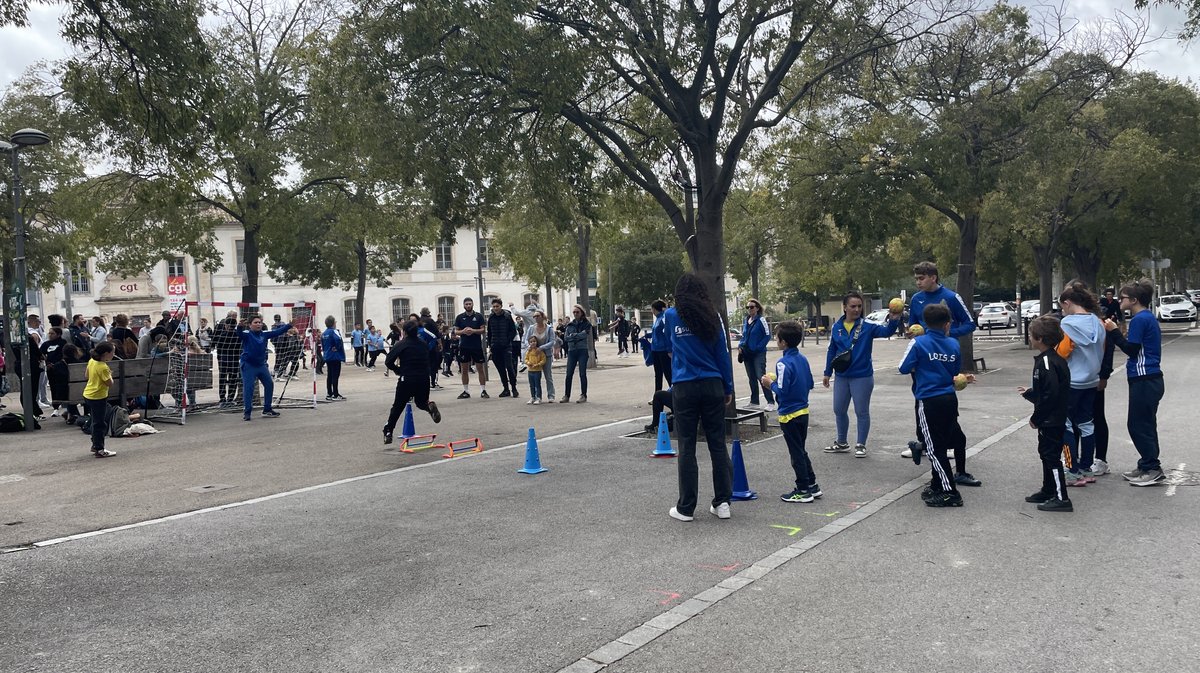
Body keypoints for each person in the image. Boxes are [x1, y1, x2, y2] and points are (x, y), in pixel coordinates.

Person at [664, 274, 735, 522]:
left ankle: (686, 507)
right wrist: (728, 386)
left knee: (687, 445)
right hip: (712, 382)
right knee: (717, 443)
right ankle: (723, 501)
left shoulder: (671, 316)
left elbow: (665, 348)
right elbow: (722, 353)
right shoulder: (713, 315)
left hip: (684, 386)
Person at [902, 261, 977, 479]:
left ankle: (946, 444)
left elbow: (969, 324)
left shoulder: (952, 298)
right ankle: (924, 442)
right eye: (916, 279)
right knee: (920, 399)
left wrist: (946, 335)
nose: (918, 283)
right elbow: (915, 326)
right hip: (923, 357)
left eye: (921, 278)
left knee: (945, 398)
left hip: (943, 355)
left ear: (933, 277)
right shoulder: (916, 299)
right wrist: (912, 333)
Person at [898, 304, 975, 508]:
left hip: (929, 399)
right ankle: (937, 483)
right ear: (947, 324)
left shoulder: (918, 342)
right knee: (940, 442)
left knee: (933, 448)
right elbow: (955, 371)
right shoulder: (953, 344)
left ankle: (950, 491)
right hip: (949, 398)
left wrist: (921, 363)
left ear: (924, 323)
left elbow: (903, 368)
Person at [821, 292, 903, 457]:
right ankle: (842, 442)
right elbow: (832, 351)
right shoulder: (837, 327)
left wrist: (894, 319)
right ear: (845, 307)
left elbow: (886, 332)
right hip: (842, 376)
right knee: (839, 409)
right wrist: (827, 372)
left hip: (862, 376)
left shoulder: (868, 326)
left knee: (861, 411)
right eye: (853, 306)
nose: (857, 309)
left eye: (859, 306)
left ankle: (861, 444)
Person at [1103, 280, 1166, 486]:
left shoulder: (1140, 320)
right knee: (1145, 423)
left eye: (1122, 298)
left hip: (1145, 377)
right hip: (1149, 378)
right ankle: (1146, 464)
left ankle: (1152, 467)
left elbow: (1131, 349)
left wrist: (1113, 331)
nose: (1119, 300)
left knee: (1139, 425)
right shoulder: (1146, 318)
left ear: (1134, 300)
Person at [759, 320, 821, 502]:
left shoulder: (783, 363)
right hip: (803, 411)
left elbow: (783, 390)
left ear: (783, 342)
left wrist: (771, 384)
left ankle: (802, 490)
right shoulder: (802, 359)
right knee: (801, 449)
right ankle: (811, 484)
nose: (776, 340)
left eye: (777, 338)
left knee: (796, 453)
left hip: (789, 414)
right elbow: (809, 383)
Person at [1018, 316, 1074, 512]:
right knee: (1045, 454)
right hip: (1051, 417)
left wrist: (1037, 418)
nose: (1030, 338)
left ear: (1040, 338)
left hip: (1051, 419)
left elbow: (1051, 394)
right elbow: (1046, 391)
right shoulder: (1049, 360)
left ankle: (1061, 497)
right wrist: (1031, 393)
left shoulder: (1048, 362)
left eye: (1031, 335)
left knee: (1051, 456)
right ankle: (1048, 489)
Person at [1056, 282, 1106, 486]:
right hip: (1091, 380)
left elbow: (1062, 352)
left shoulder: (1067, 324)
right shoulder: (1097, 322)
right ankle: (1086, 467)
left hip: (1072, 380)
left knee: (1065, 425)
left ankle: (1071, 468)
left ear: (1068, 303)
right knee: (1086, 424)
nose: (1061, 310)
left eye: (1062, 306)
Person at [382, 319, 442, 443]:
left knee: (398, 406)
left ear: (404, 332)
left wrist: (397, 370)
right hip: (423, 378)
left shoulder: (401, 344)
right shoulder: (423, 344)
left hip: (407, 378)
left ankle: (389, 431)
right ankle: (429, 407)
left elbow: (388, 361)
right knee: (421, 402)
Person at [237, 315, 290, 421]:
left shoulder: (264, 334)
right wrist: (239, 326)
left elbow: (277, 332)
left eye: (260, 322)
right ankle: (247, 412)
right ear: (250, 325)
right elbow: (239, 334)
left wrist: (289, 325)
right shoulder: (247, 335)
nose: (258, 324)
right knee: (249, 388)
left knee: (269, 384)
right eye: (255, 322)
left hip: (261, 365)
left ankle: (267, 409)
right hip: (248, 365)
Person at [737, 298, 775, 411]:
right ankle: (754, 401)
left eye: (752, 307)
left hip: (758, 353)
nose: (749, 309)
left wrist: (758, 348)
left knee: (760, 376)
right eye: (748, 307)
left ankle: (770, 402)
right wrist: (740, 345)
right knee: (751, 377)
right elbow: (744, 335)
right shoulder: (746, 319)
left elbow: (767, 335)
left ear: (757, 308)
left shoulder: (761, 320)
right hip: (746, 352)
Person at [84, 342, 116, 458]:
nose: (113, 355)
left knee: (95, 420)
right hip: (98, 396)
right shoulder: (103, 367)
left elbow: (86, 375)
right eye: (112, 352)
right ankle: (99, 448)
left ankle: (95, 444)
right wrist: (110, 375)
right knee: (100, 423)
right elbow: (109, 383)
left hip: (88, 394)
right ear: (106, 353)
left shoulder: (92, 361)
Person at [454, 298, 489, 399]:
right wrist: (464, 331)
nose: (468, 306)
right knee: (464, 369)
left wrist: (473, 330)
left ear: (473, 304)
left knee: (480, 368)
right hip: (464, 346)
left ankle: (483, 390)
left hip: (476, 346)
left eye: (470, 304)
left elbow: (483, 330)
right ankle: (466, 391)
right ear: (464, 305)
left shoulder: (478, 316)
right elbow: (456, 332)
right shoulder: (460, 317)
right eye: (466, 304)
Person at [486, 298, 519, 397]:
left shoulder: (507, 316)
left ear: (501, 306)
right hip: (495, 346)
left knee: (509, 367)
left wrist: (507, 340)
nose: (495, 308)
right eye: (494, 306)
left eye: (497, 306)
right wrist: (490, 345)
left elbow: (513, 331)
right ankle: (506, 389)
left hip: (506, 346)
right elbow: (490, 332)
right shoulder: (491, 318)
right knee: (500, 369)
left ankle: (514, 388)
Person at [561, 305, 592, 403]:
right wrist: (577, 336)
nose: (575, 314)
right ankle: (566, 395)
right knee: (569, 373)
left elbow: (585, 334)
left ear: (582, 312)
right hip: (572, 350)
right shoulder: (570, 325)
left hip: (582, 350)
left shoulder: (586, 324)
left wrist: (574, 336)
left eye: (577, 312)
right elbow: (566, 338)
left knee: (582, 373)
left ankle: (583, 395)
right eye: (574, 312)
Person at [212, 316, 242, 407]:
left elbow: (219, 349)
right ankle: (230, 399)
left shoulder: (222, 335)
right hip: (235, 360)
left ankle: (222, 399)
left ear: (226, 326)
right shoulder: (238, 335)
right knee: (233, 380)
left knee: (222, 380)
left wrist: (219, 359)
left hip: (224, 360)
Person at [649, 300, 673, 394]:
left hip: (663, 350)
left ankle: (674, 393)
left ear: (654, 309)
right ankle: (657, 394)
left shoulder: (663, 318)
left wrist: (669, 349)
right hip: (655, 349)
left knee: (667, 373)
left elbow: (667, 333)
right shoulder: (657, 319)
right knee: (658, 374)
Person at [321, 316, 347, 401]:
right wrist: (337, 347)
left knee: (330, 375)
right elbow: (338, 340)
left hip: (327, 355)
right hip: (335, 356)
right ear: (333, 323)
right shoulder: (334, 331)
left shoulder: (324, 333)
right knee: (335, 375)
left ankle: (329, 393)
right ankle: (335, 394)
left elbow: (323, 344)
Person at [524, 335, 546, 403]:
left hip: (537, 370)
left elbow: (543, 359)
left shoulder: (539, 351)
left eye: (534, 341)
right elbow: (525, 359)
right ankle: (533, 397)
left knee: (537, 384)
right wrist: (528, 363)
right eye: (531, 342)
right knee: (531, 385)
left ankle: (538, 397)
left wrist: (538, 364)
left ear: (536, 342)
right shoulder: (529, 351)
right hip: (530, 370)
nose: (532, 343)